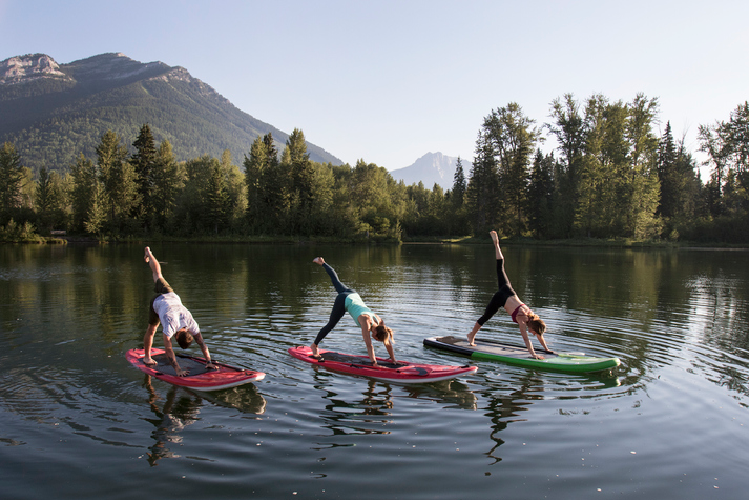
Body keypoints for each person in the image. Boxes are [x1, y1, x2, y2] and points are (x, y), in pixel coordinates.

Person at [467, 231, 552, 359]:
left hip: (508, 290)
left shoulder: (532, 316)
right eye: (534, 332)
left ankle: (497, 244)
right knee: (486, 316)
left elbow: (539, 334)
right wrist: (533, 354)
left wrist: (546, 349)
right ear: (533, 326)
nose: (533, 335)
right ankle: (471, 336)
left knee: (500, 267)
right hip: (500, 298)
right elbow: (526, 340)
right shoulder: (523, 320)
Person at [311, 257, 396, 367]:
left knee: (336, 281)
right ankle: (314, 345)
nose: (376, 340)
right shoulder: (366, 322)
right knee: (330, 325)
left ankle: (322, 262)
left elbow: (387, 342)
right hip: (343, 300)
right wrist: (374, 364)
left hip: (353, 294)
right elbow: (369, 345)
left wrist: (393, 359)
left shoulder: (380, 323)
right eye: (377, 339)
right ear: (375, 334)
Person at [142, 246, 214, 376]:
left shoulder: (191, 323)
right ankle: (147, 357)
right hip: (157, 303)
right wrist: (178, 370)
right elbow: (168, 350)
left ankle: (149, 253)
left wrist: (208, 361)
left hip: (171, 295)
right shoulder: (171, 327)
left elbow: (201, 343)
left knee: (158, 275)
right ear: (177, 336)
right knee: (152, 329)